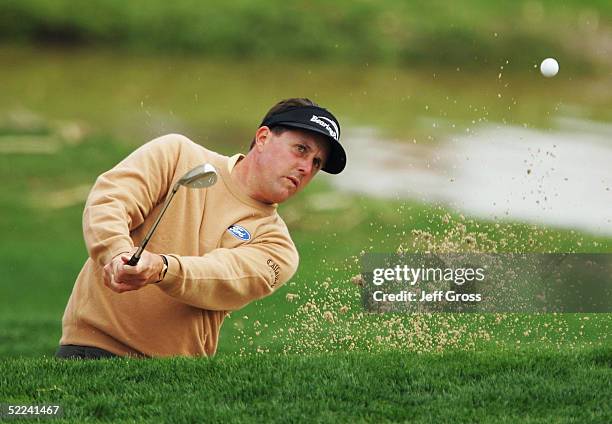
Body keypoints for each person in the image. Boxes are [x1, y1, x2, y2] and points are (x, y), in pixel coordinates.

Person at [55, 98, 346, 359]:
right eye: (300, 149)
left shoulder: (279, 247)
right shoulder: (177, 154)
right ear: (263, 137)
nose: (306, 167)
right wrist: (115, 253)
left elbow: (222, 276)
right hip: (90, 348)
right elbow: (110, 200)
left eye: (316, 162)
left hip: (175, 374)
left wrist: (162, 268)